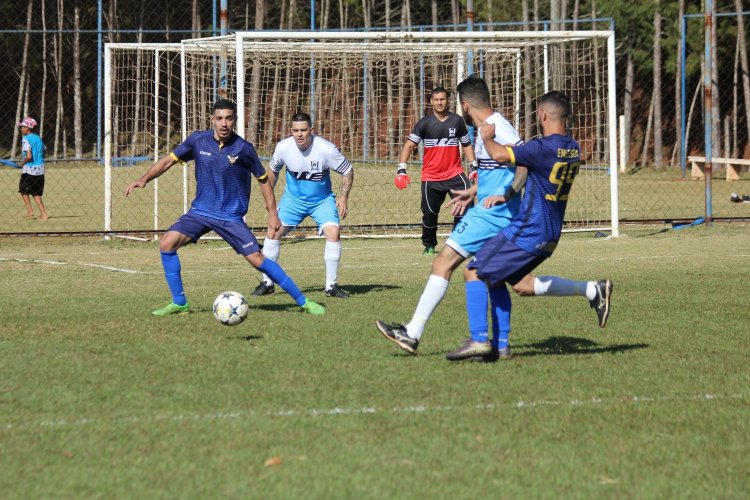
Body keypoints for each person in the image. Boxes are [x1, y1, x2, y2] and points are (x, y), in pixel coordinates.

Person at [443, 90, 613, 361]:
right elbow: (526, 170)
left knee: (473, 271)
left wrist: (486, 138)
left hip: (528, 230)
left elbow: (499, 156)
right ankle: (501, 346)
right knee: (509, 282)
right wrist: (508, 195)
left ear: (543, 114)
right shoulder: (573, 148)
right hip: (550, 233)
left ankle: (477, 340)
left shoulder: (540, 148)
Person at [124, 99, 325, 316]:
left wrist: (273, 215)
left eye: (229, 118)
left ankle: (303, 302)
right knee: (167, 243)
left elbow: (264, 179)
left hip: (230, 216)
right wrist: (144, 179)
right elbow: (168, 161)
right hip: (200, 211)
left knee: (258, 260)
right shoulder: (197, 141)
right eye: (219, 118)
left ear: (235, 121)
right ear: (212, 119)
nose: (224, 123)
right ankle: (179, 303)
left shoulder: (244, 149)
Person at [376, 75, 525, 356]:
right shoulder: (486, 130)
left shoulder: (498, 129)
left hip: (492, 216)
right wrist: (474, 190)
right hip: (494, 213)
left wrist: (506, 196)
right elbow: (500, 170)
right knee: (492, 278)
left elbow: (523, 165)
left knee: (443, 263)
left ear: (464, 104)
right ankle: (501, 346)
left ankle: (412, 333)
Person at [251, 112, 354, 299]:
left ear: (311, 130)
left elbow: (347, 171)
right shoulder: (283, 148)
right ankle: (267, 283)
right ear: (291, 131)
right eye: (296, 130)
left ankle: (331, 286)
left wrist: (343, 197)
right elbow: (272, 172)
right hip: (293, 201)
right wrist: (270, 202)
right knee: (273, 232)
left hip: (321, 201)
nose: (299, 134)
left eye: (304, 130)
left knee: (334, 232)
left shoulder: (326, 149)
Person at [394, 86, 477, 255]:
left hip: (455, 173)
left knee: (467, 206)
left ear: (448, 101)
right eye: (436, 99)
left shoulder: (457, 121)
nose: (439, 102)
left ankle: (457, 242)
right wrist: (401, 169)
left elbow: (466, 144)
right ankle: (429, 245)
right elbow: (409, 145)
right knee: (430, 213)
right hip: (431, 176)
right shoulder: (424, 123)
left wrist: (473, 165)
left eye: (443, 99)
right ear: (431, 102)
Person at [17, 117, 49, 221]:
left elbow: (29, 156)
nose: (21, 128)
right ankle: (43, 213)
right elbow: (44, 151)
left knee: (23, 189)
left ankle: (30, 210)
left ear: (28, 128)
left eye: (23, 127)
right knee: (36, 192)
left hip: (29, 170)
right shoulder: (38, 138)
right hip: (40, 169)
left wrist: (22, 162)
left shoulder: (26, 139)